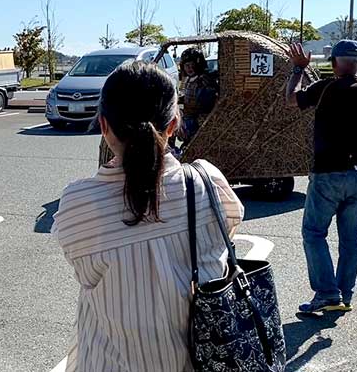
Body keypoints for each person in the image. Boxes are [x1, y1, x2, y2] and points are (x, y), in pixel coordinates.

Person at [53, 61, 243, 371]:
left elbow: (86, 273)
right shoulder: (207, 183)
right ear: (173, 124)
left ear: (103, 126)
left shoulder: (79, 204)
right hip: (200, 362)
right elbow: (226, 234)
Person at [285, 40, 357, 313]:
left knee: (314, 232)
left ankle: (327, 293)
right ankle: (345, 294)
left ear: (333, 63)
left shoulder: (326, 88)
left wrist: (298, 70)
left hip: (328, 174)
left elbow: (291, 99)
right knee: (350, 239)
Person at [177, 48, 218, 148]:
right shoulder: (189, 79)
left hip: (197, 120)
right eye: (187, 66)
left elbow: (205, 104)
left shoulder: (203, 81)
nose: (190, 68)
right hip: (189, 117)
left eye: (192, 65)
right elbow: (189, 96)